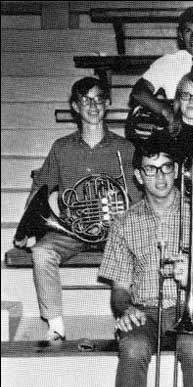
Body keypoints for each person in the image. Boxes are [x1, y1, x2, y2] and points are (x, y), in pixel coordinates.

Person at [98, 134, 193, 387]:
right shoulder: (124, 223)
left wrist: (191, 280)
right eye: (151, 169)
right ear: (139, 176)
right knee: (132, 349)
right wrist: (125, 309)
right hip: (144, 309)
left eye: (167, 167)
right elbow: (119, 290)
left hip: (187, 308)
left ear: (178, 170)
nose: (161, 176)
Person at [13, 76, 139, 343]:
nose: (92, 106)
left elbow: (137, 198)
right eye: (85, 100)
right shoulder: (61, 148)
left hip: (115, 230)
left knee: (138, 248)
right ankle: (56, 325)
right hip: (71, 229)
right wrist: (28, 228)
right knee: (42, 252)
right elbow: (39, 189)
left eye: (98, 99)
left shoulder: (125, 148)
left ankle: (127, 321)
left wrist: (124, 218)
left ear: (107, 104)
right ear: (74, 106)